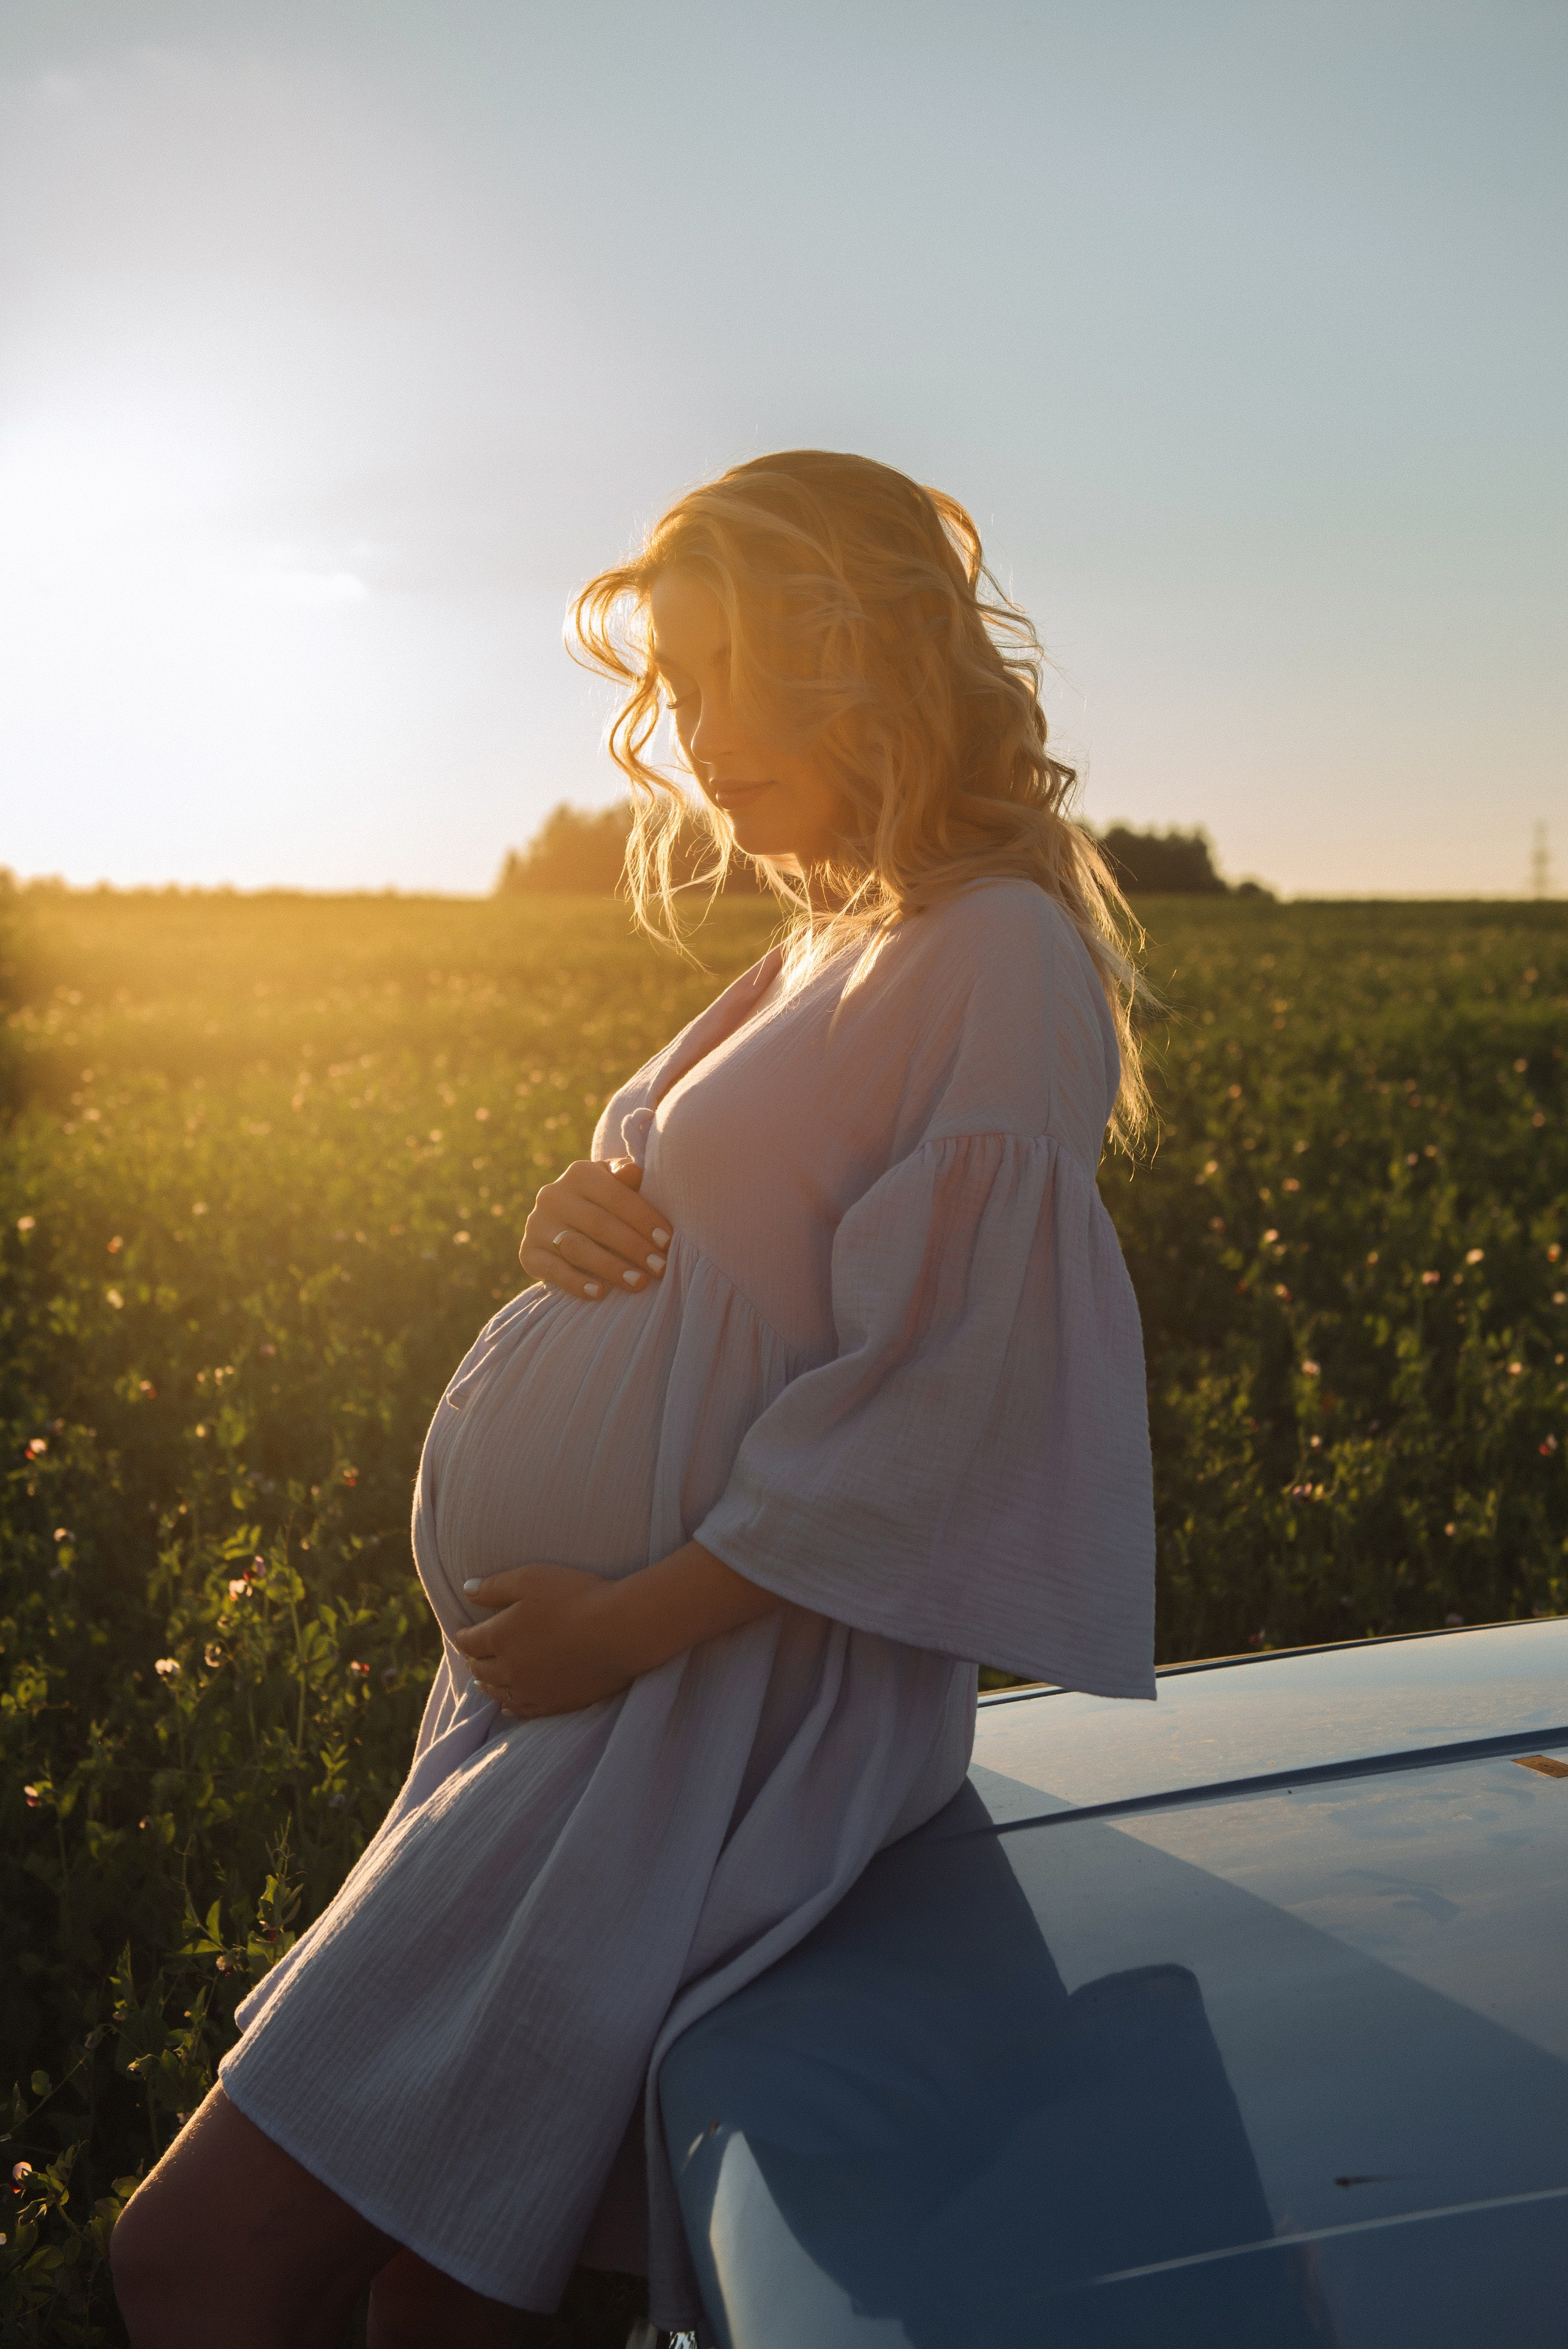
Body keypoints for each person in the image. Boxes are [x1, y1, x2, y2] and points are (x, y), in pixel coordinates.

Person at [110, 450, 1157, 2348]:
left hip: (696, 1720)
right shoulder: (836, 936)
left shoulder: (995, 956)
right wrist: (583, 1202)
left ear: (874, 659)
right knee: (444, 2307)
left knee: (198, 2263)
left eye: (733, 665)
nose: (690, 731)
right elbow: (740, 1239)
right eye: (670, 679)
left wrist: (621, 1625)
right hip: (593, 1706)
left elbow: (940, 1408)